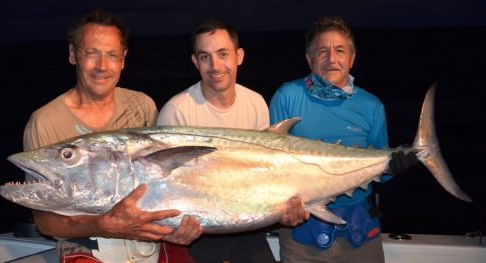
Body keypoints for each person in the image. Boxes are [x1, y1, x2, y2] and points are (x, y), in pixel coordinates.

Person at [23, 9, 201, 263]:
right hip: (84, 245)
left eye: (111, 55)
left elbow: (165, 185)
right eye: (91, 53)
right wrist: (103, 225)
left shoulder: (142, 106)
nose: (102, 66)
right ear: (73, 55)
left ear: (123, 59)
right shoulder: (45, 122)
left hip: (148, 238)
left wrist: (177, 227)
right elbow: (45, 221)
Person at [157, 20, 308, 263]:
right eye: (205, 57)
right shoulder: (176, 112)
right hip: (199, 233)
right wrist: (173, 231)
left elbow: (265, 174)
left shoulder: (255, 102)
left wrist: (283, 207)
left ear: (239, 56)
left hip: (247, 227)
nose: (215, 66)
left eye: (223, 54)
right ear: (195, 62)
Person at [269, 16, 418, 263]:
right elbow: (274, 167)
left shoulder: (371, 106)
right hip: (301, 233)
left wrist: (394, 166)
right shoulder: (287, 96)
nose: (331, 59)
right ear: (309, 58)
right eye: (322, 51)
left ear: (352, 58)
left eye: (340, 50)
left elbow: (380, 169)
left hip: (360, 233)